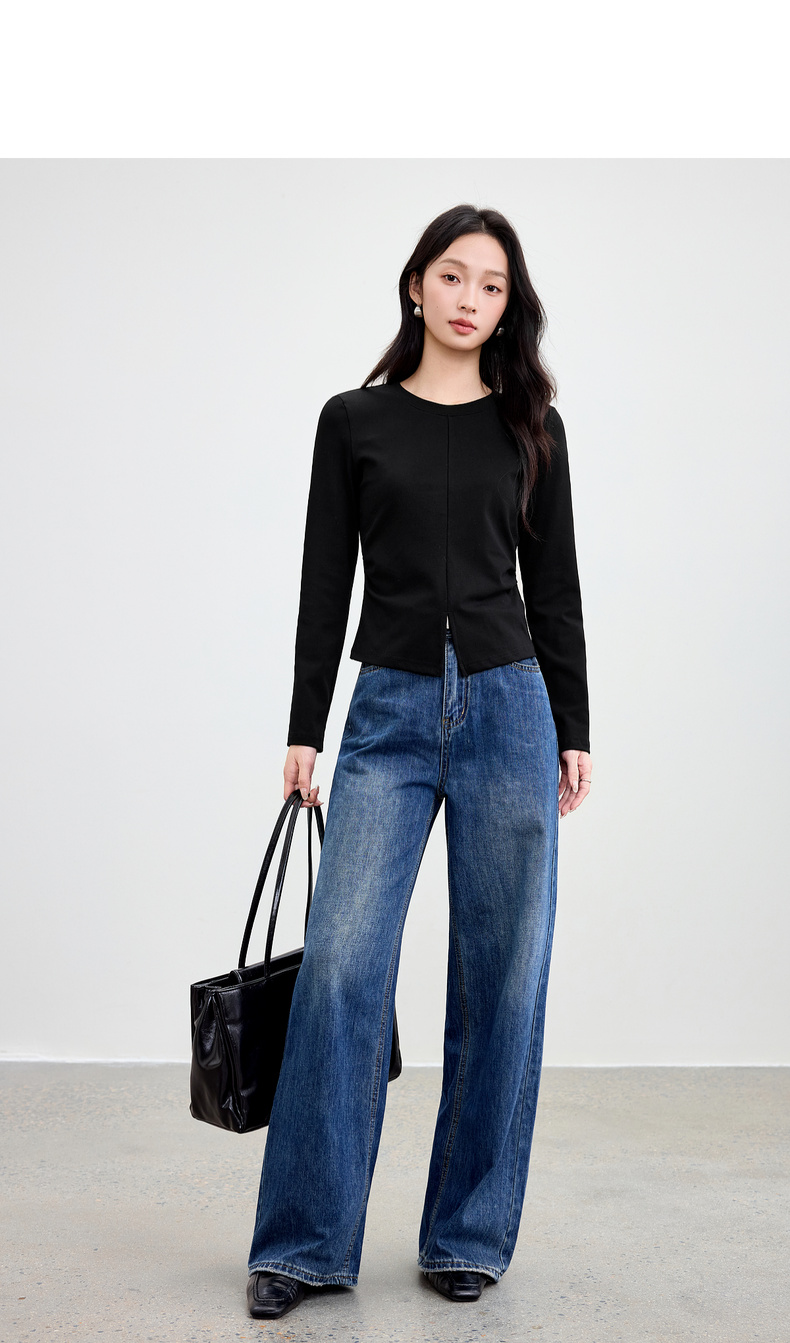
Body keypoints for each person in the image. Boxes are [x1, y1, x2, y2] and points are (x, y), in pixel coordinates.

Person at [246, 203, 592, 1321]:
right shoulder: (354, 420)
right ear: (415, 285)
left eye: (492, 285)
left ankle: (466, 1234)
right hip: (387, 708)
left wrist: (574, 726)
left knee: (502, 979)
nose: (469, 299)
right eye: (453, 275)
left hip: (509, 706)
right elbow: (323, 580)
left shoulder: (531, 427)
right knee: (342, 969)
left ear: (508, 305)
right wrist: (305, 724)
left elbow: (555, 589)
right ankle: (304, 1243)